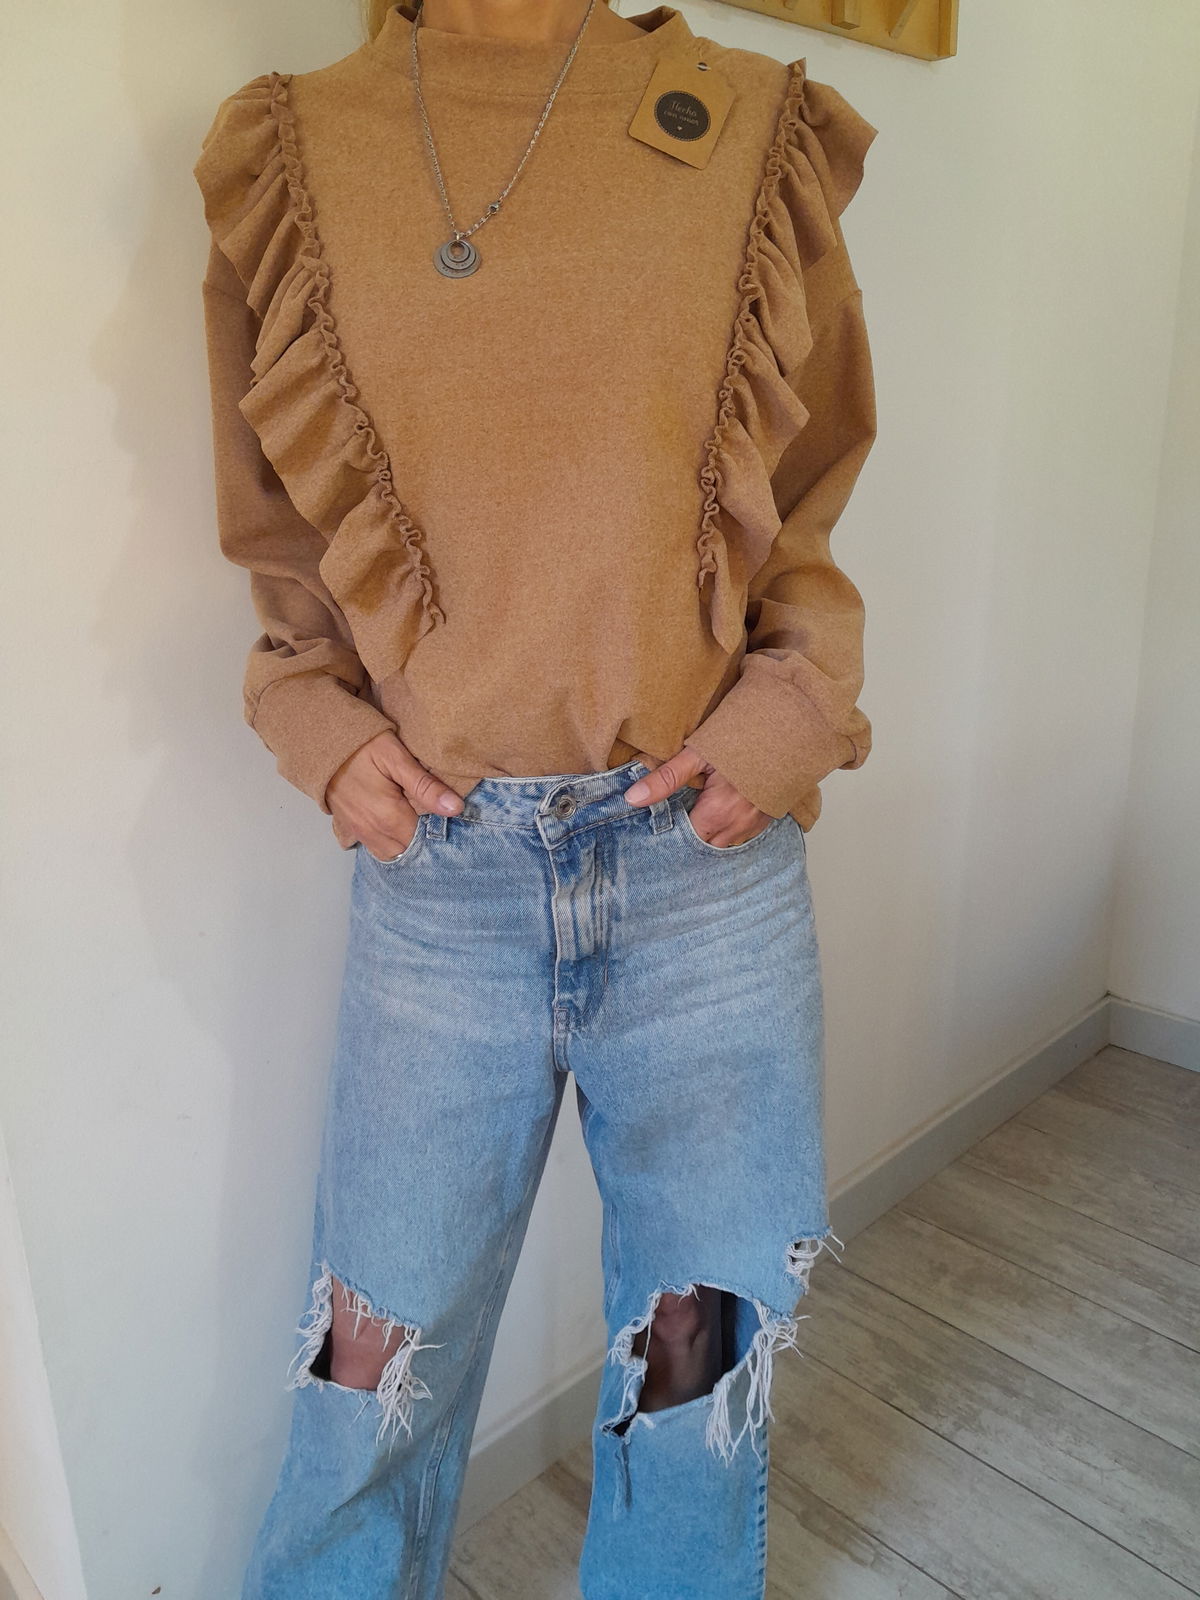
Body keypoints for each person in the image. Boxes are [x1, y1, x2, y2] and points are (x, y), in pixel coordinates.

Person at [193, 0, 878, 1593]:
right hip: (442, 882)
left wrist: (793, 711)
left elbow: (811, 488)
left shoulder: (749, 125)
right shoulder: (289, 151)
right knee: (366, 1375)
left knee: (693, 1381)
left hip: (703, 873)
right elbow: (274, 524)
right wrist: (313, 721)